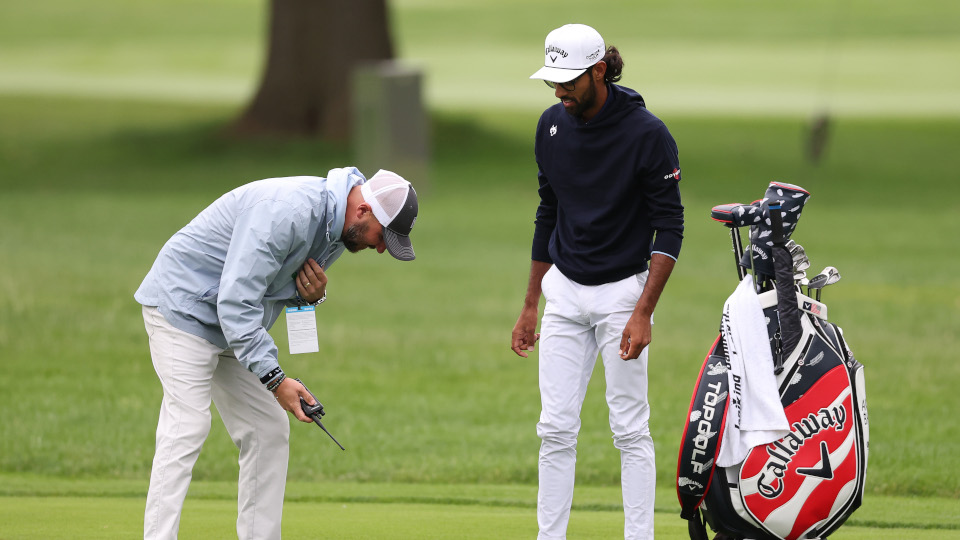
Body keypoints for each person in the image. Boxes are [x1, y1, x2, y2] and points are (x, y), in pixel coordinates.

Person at [136, 167, 418, 540]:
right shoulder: (289, 212)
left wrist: (307, 299)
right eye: (383, 238)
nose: (381, 248)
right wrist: (275, 378)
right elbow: (235, 302)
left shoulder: (340, 230)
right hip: (183, 308)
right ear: (363, 210)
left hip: (232, 324)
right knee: (188, 425)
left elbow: (268, 291)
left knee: (268, 428)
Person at [511, 24, 684, 540]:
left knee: (630, 430)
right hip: (563, 291)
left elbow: (670, 226)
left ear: (599, 72)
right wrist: (529, 305)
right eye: (553, 82)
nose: (559, 92)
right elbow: (549, 211)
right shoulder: (550, 126)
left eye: (568, 81)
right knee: (554, 429)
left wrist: (643, 311)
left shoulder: (647, 135)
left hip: (622, 295)